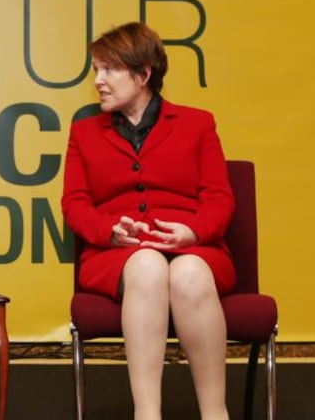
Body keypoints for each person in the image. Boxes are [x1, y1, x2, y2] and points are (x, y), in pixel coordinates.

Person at [61, 22, 236, 420]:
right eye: (95, 70)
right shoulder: (83, 133)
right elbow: (75, 203)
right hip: (116, 256)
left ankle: (215, 414)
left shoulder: (198, 124)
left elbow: (219, 199)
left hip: (197, 249)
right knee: (147, 264)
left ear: (143, 75)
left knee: (189, 271)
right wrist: (110, 231)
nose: (97, 81)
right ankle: (147, 414)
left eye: (107, 70)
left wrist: (192, 232)